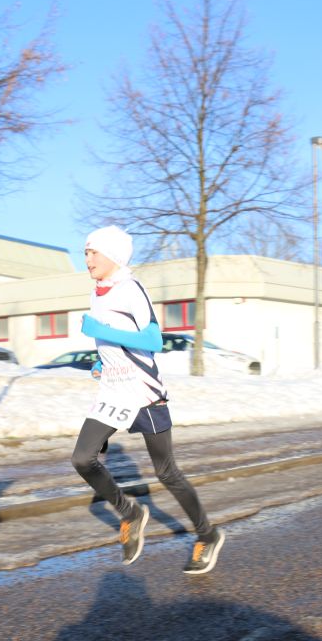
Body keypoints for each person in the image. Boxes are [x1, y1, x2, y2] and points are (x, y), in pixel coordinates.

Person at [71, 225, 224, 575]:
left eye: (93, 252)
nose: (88, 259)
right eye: (86, 253)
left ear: (113, 255)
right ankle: (130, 513)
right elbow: (117, 341)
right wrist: (103, 359)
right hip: (113, 390)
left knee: (166, 472)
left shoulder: (131, 288)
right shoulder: (98, 293)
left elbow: (154, 340)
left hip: (143, 392)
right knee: (82, 459)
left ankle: (208, 535)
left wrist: (101, 332)